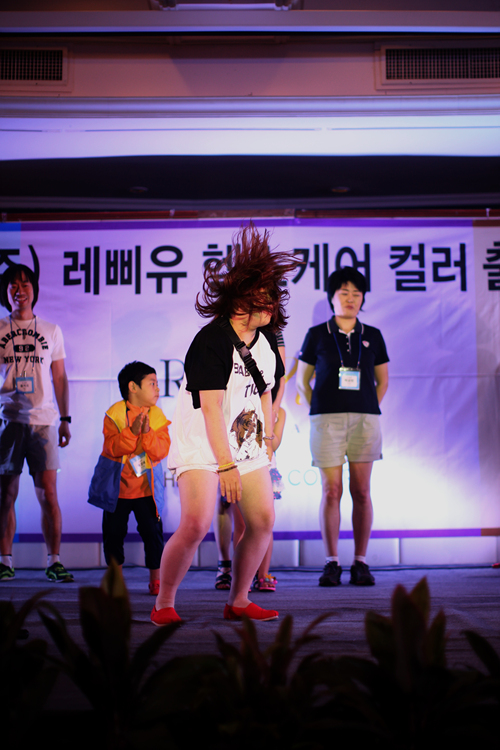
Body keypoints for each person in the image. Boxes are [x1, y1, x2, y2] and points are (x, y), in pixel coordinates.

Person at [151, 224, 298, 625]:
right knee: (195, 523)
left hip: (247, 441)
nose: (271, 305)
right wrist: (226, 465)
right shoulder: (211, 340)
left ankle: (239, 600)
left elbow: (267, 389)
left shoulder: (266, 341)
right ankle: (164, 603)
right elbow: (212, 408)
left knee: (263, 521)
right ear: (240, 299)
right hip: (203, 441)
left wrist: (268, 437)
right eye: (263, 296)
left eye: (273, 296)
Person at [297, 267, 389, 587]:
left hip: (365, 420)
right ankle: (331, 562)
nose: (350, 299)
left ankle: (360, 562)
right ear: (331, 297)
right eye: (344, 293)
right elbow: (302, 382)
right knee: (331, 490)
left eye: (356, 294)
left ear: (362, 299)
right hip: (327, 420)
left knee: (361, 491)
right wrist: (320, 409)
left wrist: (366, 406)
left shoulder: (373, 334)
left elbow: (383, 381)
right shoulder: (317, 334)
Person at [0, 264, 74, 582]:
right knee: (5, 495)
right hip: (9, 420)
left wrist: (65, 419)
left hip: (44, 422)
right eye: (13, 285)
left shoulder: (51, 330)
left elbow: (60, 378)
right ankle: (4, 560)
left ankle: (54, 561)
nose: (20, 290)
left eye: (25, 284)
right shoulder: (0, 329)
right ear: (6, 292)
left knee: (49, 495)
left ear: (34, 289)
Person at [88, 361, 171, 594]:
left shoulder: (157, 415)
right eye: (152, 383)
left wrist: (147, 433)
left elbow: (161, 451)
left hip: (147, 491)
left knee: (153, 535)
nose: (157, 388)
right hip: (117, 491)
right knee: (113, 535)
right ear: (133, 387)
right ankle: (116, 580)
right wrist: (132, 432)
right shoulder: (114, 413)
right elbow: (111, 448)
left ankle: (156, 580)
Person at [214, 331, 286, 593]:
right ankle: (232, 573)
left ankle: (261, 574)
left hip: (261, 464)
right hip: (233, 458)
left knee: (264, 521)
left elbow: (278, 378)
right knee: (239, 521)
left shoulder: (276, 408)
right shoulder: (222, 339)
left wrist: (269, 428)